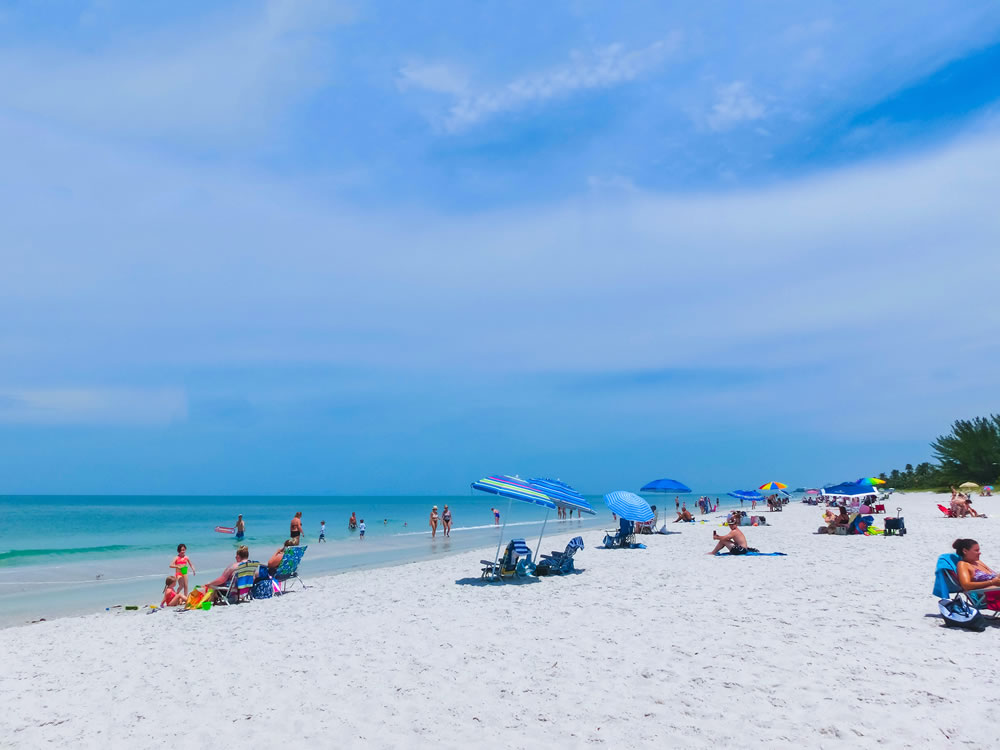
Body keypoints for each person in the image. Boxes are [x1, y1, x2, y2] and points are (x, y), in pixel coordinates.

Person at [954, 538, 1000, 608]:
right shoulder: (963, 564)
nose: (979, 553)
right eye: (976, 550)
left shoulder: (978, 562)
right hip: (984, 596)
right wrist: (991, 582)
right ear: (965, 551)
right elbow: (966, 585)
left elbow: (993, 575)